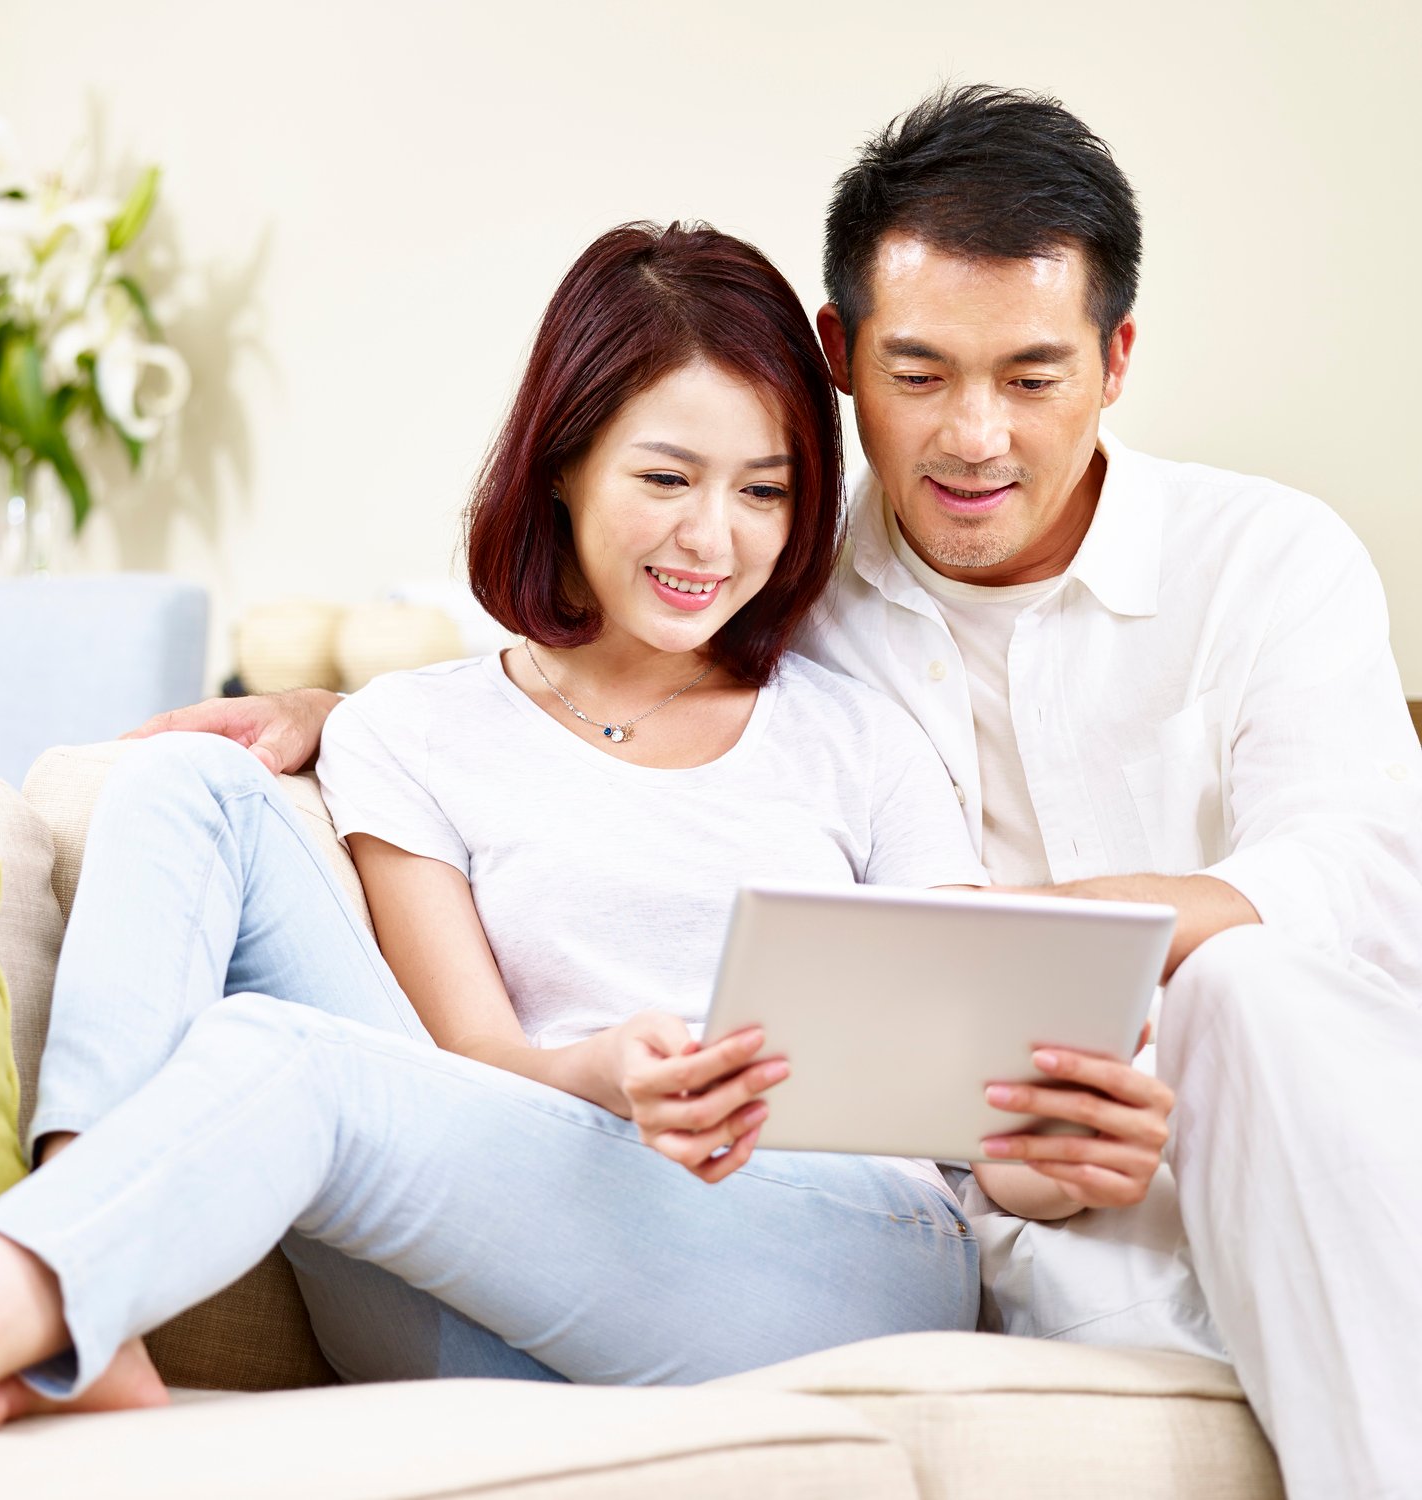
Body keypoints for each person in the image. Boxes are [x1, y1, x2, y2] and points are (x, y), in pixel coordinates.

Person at [0, 222, 1178, 1435]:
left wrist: (1044, 1154)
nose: (717, 537)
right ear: (560, 471)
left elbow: (957, 1094)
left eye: (764, 489)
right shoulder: (418, 731)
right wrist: (607, 1071)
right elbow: (462, 1062)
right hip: (497, 1277)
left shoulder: (856, 728)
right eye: (667, 477)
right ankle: (87, 1292)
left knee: (286, 1058)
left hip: (826, 1253)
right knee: (190, 782)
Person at [126, 87, 1422, 1500]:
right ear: (840, 354)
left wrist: (1014, 944)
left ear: (1116, 360)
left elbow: (1363, 877)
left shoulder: (1264, 560)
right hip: (1005, 1219)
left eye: (1032, 378)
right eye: (919, 376)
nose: (975, 438)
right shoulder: (784, 577)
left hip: (1272, 1153)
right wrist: (344, 708)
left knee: (1248, 987)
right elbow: (590, 633)